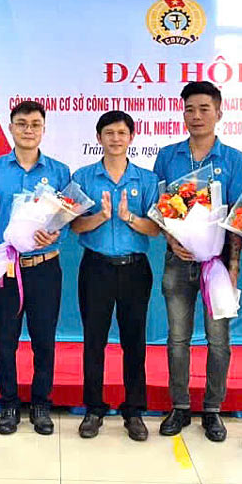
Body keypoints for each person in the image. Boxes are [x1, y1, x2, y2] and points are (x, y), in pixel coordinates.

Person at [152, 81, 242, 442]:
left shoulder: (235, 160)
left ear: (219, 113)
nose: (196, 116)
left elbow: (239, 216)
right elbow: (161, 208)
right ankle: (179, 406)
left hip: (220, 264)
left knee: (218, 339)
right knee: (177, 338)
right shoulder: (168, 156)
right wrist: (171, 239)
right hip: (177, 261)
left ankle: (212, 409)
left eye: (204, 109)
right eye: (190, 109)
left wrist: (234, 268)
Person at [0, 101, 70, 435]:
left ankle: (42, 404)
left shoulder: (59, 171)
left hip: (45, 267)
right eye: (21, 124)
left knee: (44, 338)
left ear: (44, 129)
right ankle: (10, 404)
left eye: (34, 124)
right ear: (11, 127)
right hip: (6, 268)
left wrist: (56, 234)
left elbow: (67, 218)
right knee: (5, 340)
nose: (28, 130)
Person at [70, 111, 160, 441]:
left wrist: (128, 218)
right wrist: (100, 217)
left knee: (133, 341)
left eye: (122, 133)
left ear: (132, 138)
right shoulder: (83, 177)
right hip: (95, 268)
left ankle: (134, 410)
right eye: (109, 133)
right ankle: (94, 408)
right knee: (94, 340)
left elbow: (156, 229)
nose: (116, 138)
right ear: (99, 138)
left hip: (135, 269)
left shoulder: (147, 180)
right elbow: (74, 226)